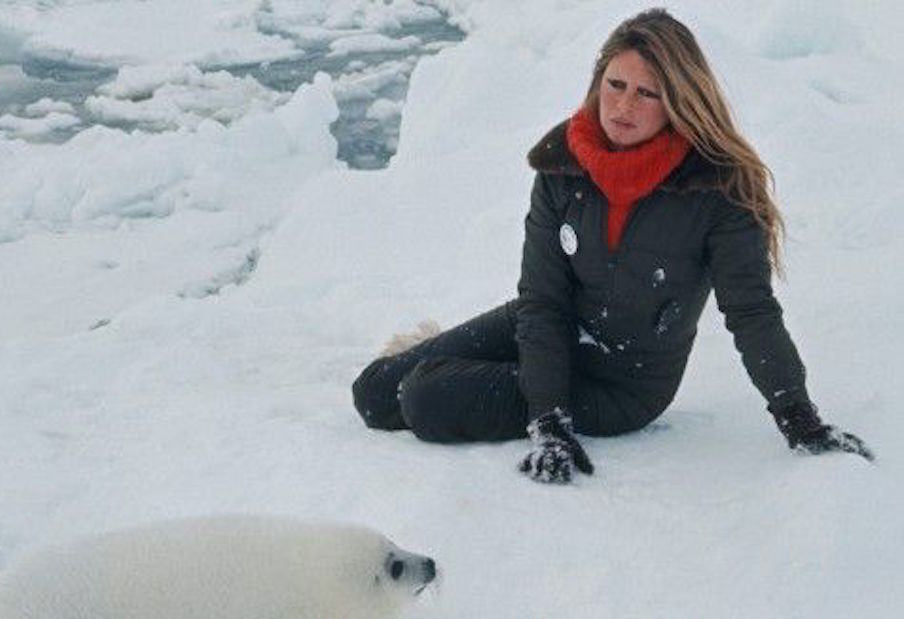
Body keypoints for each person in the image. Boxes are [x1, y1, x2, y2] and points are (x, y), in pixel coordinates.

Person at [351, 8, 873, 484]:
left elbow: (751, 312)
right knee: (374, 393)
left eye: (647, 93)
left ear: (678, 102)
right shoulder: (562, 164)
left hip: (621, 382)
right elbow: (542, 299)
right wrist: (549, 416)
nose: (624, 105)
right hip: (548, 326)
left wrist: (798, 417)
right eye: (615, 84)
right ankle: (476, 366)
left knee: (423, 396)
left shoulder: (717, 189)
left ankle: (467, 374)